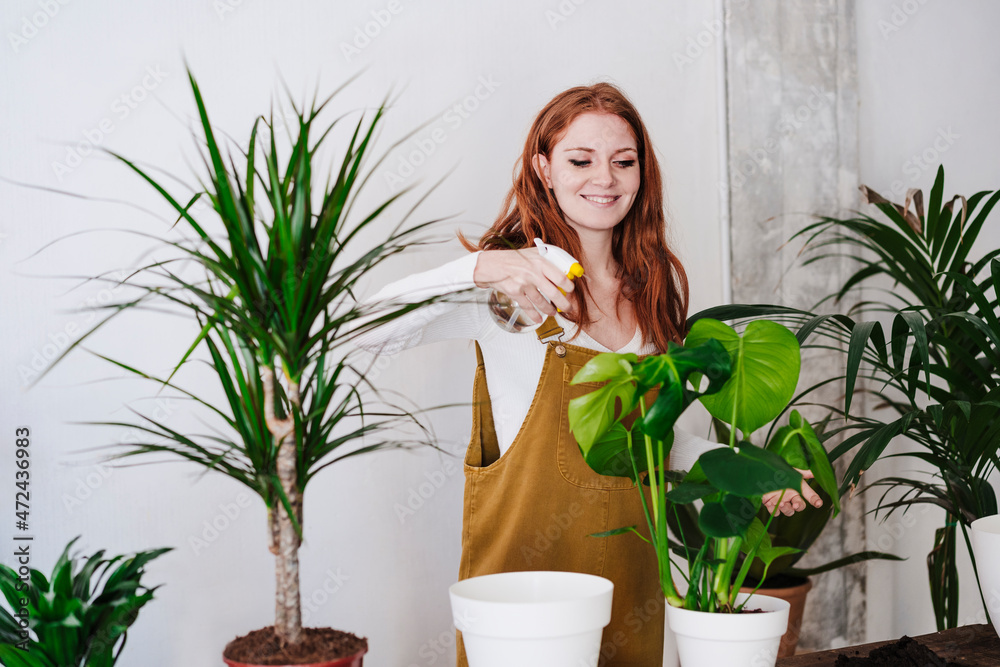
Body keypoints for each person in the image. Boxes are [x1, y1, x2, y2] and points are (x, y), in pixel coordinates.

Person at [356, 82, 821, 666]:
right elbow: (361, 329)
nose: (605, 178)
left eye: (623, 162)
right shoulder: (509, 287)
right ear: (543, 168)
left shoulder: (651, 293)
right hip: (525, 591)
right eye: (581, 160)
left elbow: (652, 443)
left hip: (632, 580)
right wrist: (482, 265)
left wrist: (752, 472)